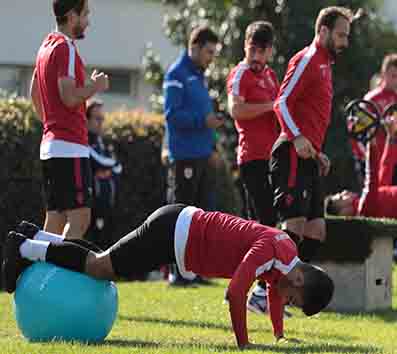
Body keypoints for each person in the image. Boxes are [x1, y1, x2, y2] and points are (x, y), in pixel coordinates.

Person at [1, 205, 334, 349]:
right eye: (294, 300)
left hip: (179, 232)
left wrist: (278, 335)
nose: (283, 300)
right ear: (300, 281)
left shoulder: (287, 254)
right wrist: (244, 344)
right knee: (99, 267)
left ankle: (37, 238)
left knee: (104, 260)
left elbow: (274, 292)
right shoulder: (271, 251)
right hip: (172, 233)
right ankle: (24, 247)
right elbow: (235, 294)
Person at [271, 7, 351, 267]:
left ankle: (285, 288)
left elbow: (310, 118)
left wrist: (317, 153)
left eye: (346, 36)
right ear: (323, 31)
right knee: (293, 226)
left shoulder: (325, 63)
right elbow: (281, 102)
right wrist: (295, 137)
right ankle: (263, 290)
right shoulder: (307, 58)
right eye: (340, 36)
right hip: (291, 152)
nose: (344, 42)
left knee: (316, 232)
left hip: (308, 155)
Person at [31, 0, 110, 240]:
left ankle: (40, 274)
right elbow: (68, 96)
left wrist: (51, 125)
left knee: (55, 219)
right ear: (71, 16)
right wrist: (95, 86)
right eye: (85, 14)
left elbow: (34, 91)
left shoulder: (46, 46)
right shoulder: (65, 47)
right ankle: (57, 273)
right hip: (68, 146)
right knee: (80, 217)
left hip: (52, 145)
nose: (88, 21)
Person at [226, 21, 281, 314]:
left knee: (268, 224)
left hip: (272, 158)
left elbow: (279, 111)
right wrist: (270, 106)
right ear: (245, 46)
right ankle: (257, 292)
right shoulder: (240, 74)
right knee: (264, 224)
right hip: (251, 159)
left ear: (270, 51)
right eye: (252, 49)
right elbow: (236, 109)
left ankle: (260, 291)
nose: (257, 55)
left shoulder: (271, 75)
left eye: (262, 50)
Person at [163, 26, 223, 286]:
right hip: (184, 156)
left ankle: (195, 270)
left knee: (200, 216)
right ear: (195, 47)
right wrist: (204, 120)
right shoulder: (177, 74)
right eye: (209, 52)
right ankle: (178, 273)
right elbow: (172, 116)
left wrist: (212, 148)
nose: (211, 58)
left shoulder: (199, 76)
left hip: (201, 155)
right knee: (181, 214)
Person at [350, 53, 397, 188]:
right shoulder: (371, 99)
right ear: (383, 73)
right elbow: (357, 130)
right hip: (378, 158)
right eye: (393, 76)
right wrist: (364, 156)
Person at [86, 99, 122, 250]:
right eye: (97, 119)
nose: (101, 123)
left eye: (102, 119)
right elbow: (98, 160)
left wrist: (107, 169)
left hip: (108, 202)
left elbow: (118, 168)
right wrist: (109, 166)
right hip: (91, 204)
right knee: (91, 244)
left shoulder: (103, 142)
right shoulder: (83, 140)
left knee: (106, 243)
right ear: (86, 119)